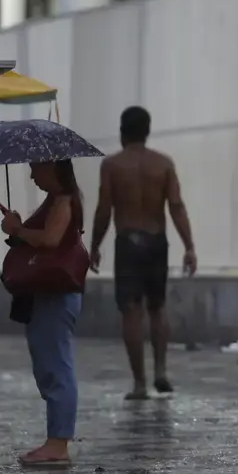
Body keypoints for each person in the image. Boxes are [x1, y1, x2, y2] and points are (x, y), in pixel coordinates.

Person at [90, 106, 196, 400]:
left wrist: (95, 245)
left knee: (131, 311)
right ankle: (161, 370)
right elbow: (176, 206)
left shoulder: (111, 166)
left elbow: (104, 210)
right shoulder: (163, 164)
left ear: (122, 132)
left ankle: (139, 383)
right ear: (147, 131)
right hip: (156, 240)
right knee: (157, 307)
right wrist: (189, 246)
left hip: (128, 242)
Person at [1, 160, 84, 467]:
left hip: (56, 294)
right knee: (48, 364)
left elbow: (50, 240)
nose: (33, 174)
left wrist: (18, 229)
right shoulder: (53, 201)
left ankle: (58, 443)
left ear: (53, 167)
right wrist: (19, 228)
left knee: (56, 366)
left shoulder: (63, 201)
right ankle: (54, 440)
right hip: (46, 295)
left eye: (37, 168)